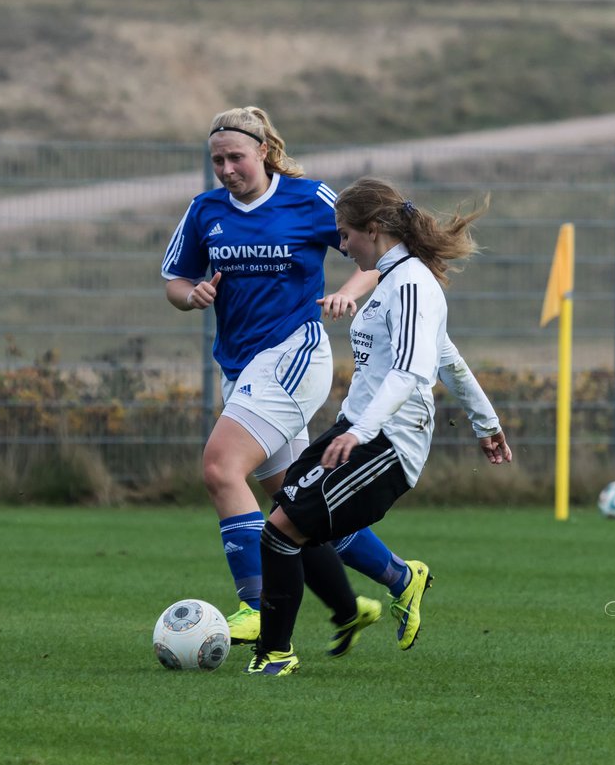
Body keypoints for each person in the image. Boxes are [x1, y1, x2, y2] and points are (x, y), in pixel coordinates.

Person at [162, 107, 437, 650]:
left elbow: (377, 253)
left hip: (295, 352)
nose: (225, 169)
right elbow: (175, 279)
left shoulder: (307, 197)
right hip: (239, 369)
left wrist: (347, 292)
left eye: (235, 157)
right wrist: (190, 296)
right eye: (216, 160)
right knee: (295, 506)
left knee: (220, 469)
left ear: (263, 152)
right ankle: (402, 578)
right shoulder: (205, 210)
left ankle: (255, 607)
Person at [247, 177, 513, 676]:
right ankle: (381, 590)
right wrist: (486, 422)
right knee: (282, 524)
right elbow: (449, 359)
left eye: (345, 234)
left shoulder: (413, 284)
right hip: (361, 429)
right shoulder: (394, 281)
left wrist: (360, 431)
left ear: (373, 229)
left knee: (283, 529)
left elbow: (413, 370)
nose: (341, 246)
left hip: (389, 441)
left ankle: (276, 655)